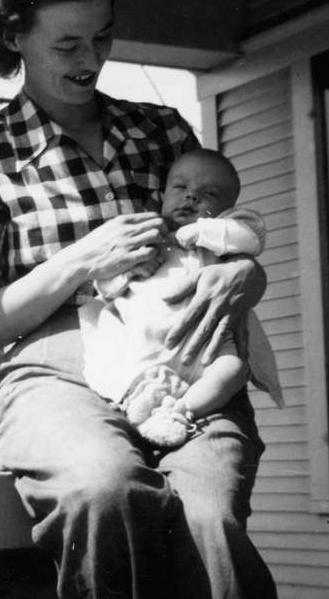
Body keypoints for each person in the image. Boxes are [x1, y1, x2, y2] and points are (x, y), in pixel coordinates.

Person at [0, 0, 278, 599]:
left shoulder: (161, 133)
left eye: (102, 38)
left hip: (181, 359)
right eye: (67, 44)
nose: (91, 60)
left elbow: (228, 246)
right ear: (15, 37)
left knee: (209, 517)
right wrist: (80, 260)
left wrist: (247, 277)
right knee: (101, 489)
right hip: (56, 365)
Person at [79, 148, 284, 449]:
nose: (191, 197)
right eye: (181, 187)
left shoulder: (220, 241)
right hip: (141, 340)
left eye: (209, 194)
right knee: (105, 342)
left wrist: (200, 230)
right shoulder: (145, 234)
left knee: (234, 369)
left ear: (228, 208)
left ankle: (180, 412)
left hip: (206, 346)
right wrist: (129, 270)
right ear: (163, 194)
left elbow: (250, 236)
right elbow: (104, 283)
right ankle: (135, 396)